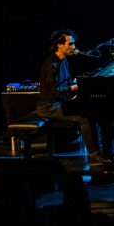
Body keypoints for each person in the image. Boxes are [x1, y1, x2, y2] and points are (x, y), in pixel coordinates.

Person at [38, 29, 104, 165]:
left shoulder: (64, 60)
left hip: (61, 101)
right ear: (59, 45)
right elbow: (53, 92)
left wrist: (78, 82)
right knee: (83, 117)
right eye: (70, 44)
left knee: (93, 112)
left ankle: (102, 150)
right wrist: (74, 87)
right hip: (49, 106)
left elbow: (66, 82)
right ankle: (94, 155)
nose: (74, 47)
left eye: (74, 44)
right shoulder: (52, 64)